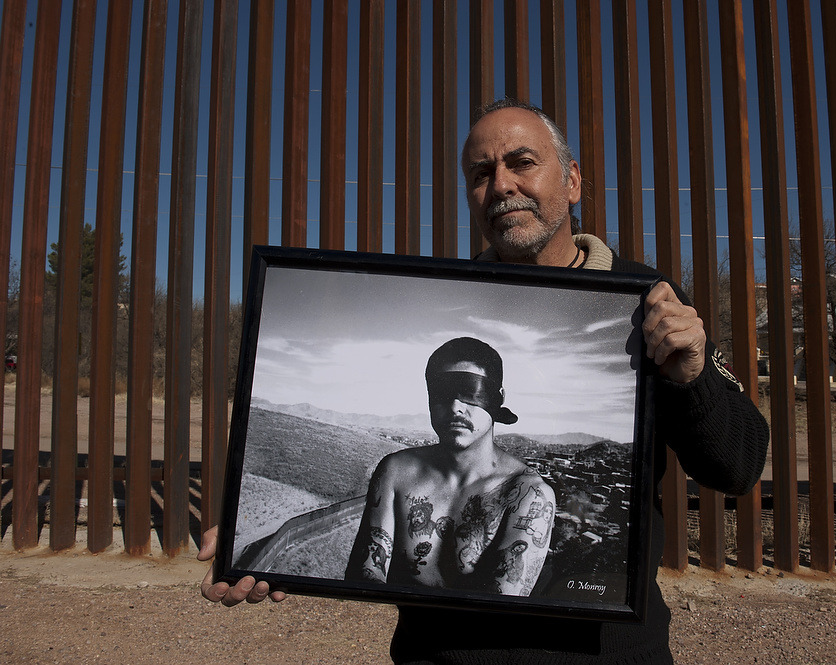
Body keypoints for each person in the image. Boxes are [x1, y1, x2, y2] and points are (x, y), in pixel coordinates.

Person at [200, 98, 770, 663]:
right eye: (481, 173)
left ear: (572, 181)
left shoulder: (649, 304)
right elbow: (368, 569)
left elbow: (739, 466)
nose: (500, 185)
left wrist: (693, 375)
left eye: (522, 162)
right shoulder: (449, 300)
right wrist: (258, 558)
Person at [343, 336, 555, 596]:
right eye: (442, 393)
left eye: (471, 393)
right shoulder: (395, 472)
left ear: (498, 398)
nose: (456, 407)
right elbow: (364, 576)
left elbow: (502, 606)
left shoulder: (527, 494)